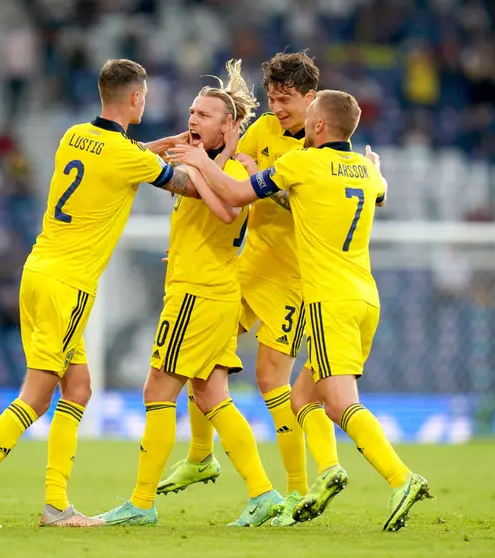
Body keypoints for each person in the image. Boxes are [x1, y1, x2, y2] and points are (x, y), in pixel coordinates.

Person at [0, 58, 210, 529]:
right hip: (69, 283)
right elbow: (188, 187)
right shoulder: (127, 156)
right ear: (137, 98)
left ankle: (56, 505)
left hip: (38, 270)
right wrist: (210, 163)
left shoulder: (74, 136)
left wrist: (161, 147)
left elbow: (119, 157)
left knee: (77, 388)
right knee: (37, 396)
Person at [169, 90, 432, 532]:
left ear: (320, 126)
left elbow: (234, 193)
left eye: (309, 114)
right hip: (366, 297)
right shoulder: (368, 171)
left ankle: (402, 478)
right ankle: (327, 470)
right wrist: (377, 173)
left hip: (328, 298)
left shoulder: (302, 163)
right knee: (302, 397)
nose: (301, 122)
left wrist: (199, 161)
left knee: (340, 402)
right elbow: (381, 194)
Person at [96, 60, 284, 528]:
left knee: (158, 388)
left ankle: (141, 502)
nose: (192, 119)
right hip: (208, 286)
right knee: (210, 393)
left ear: (229, 126)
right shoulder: (202, 157)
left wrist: (200, 163)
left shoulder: (238, 167)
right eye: (192, 111)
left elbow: (226, 211)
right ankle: (263, 494)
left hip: (199, 294)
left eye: (204, 114)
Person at [157, 50, 325, 527]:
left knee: (271, 380)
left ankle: (294, 493)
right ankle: (198, 455)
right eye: (272, 98)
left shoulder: (322, 145)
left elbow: (252, 194)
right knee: (202, 356)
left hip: (292, 277)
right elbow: (229, 171)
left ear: (311, 99)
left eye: (286, 100)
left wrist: (260, 180)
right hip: (246, 266)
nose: (278, 108)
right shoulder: (264, 130)